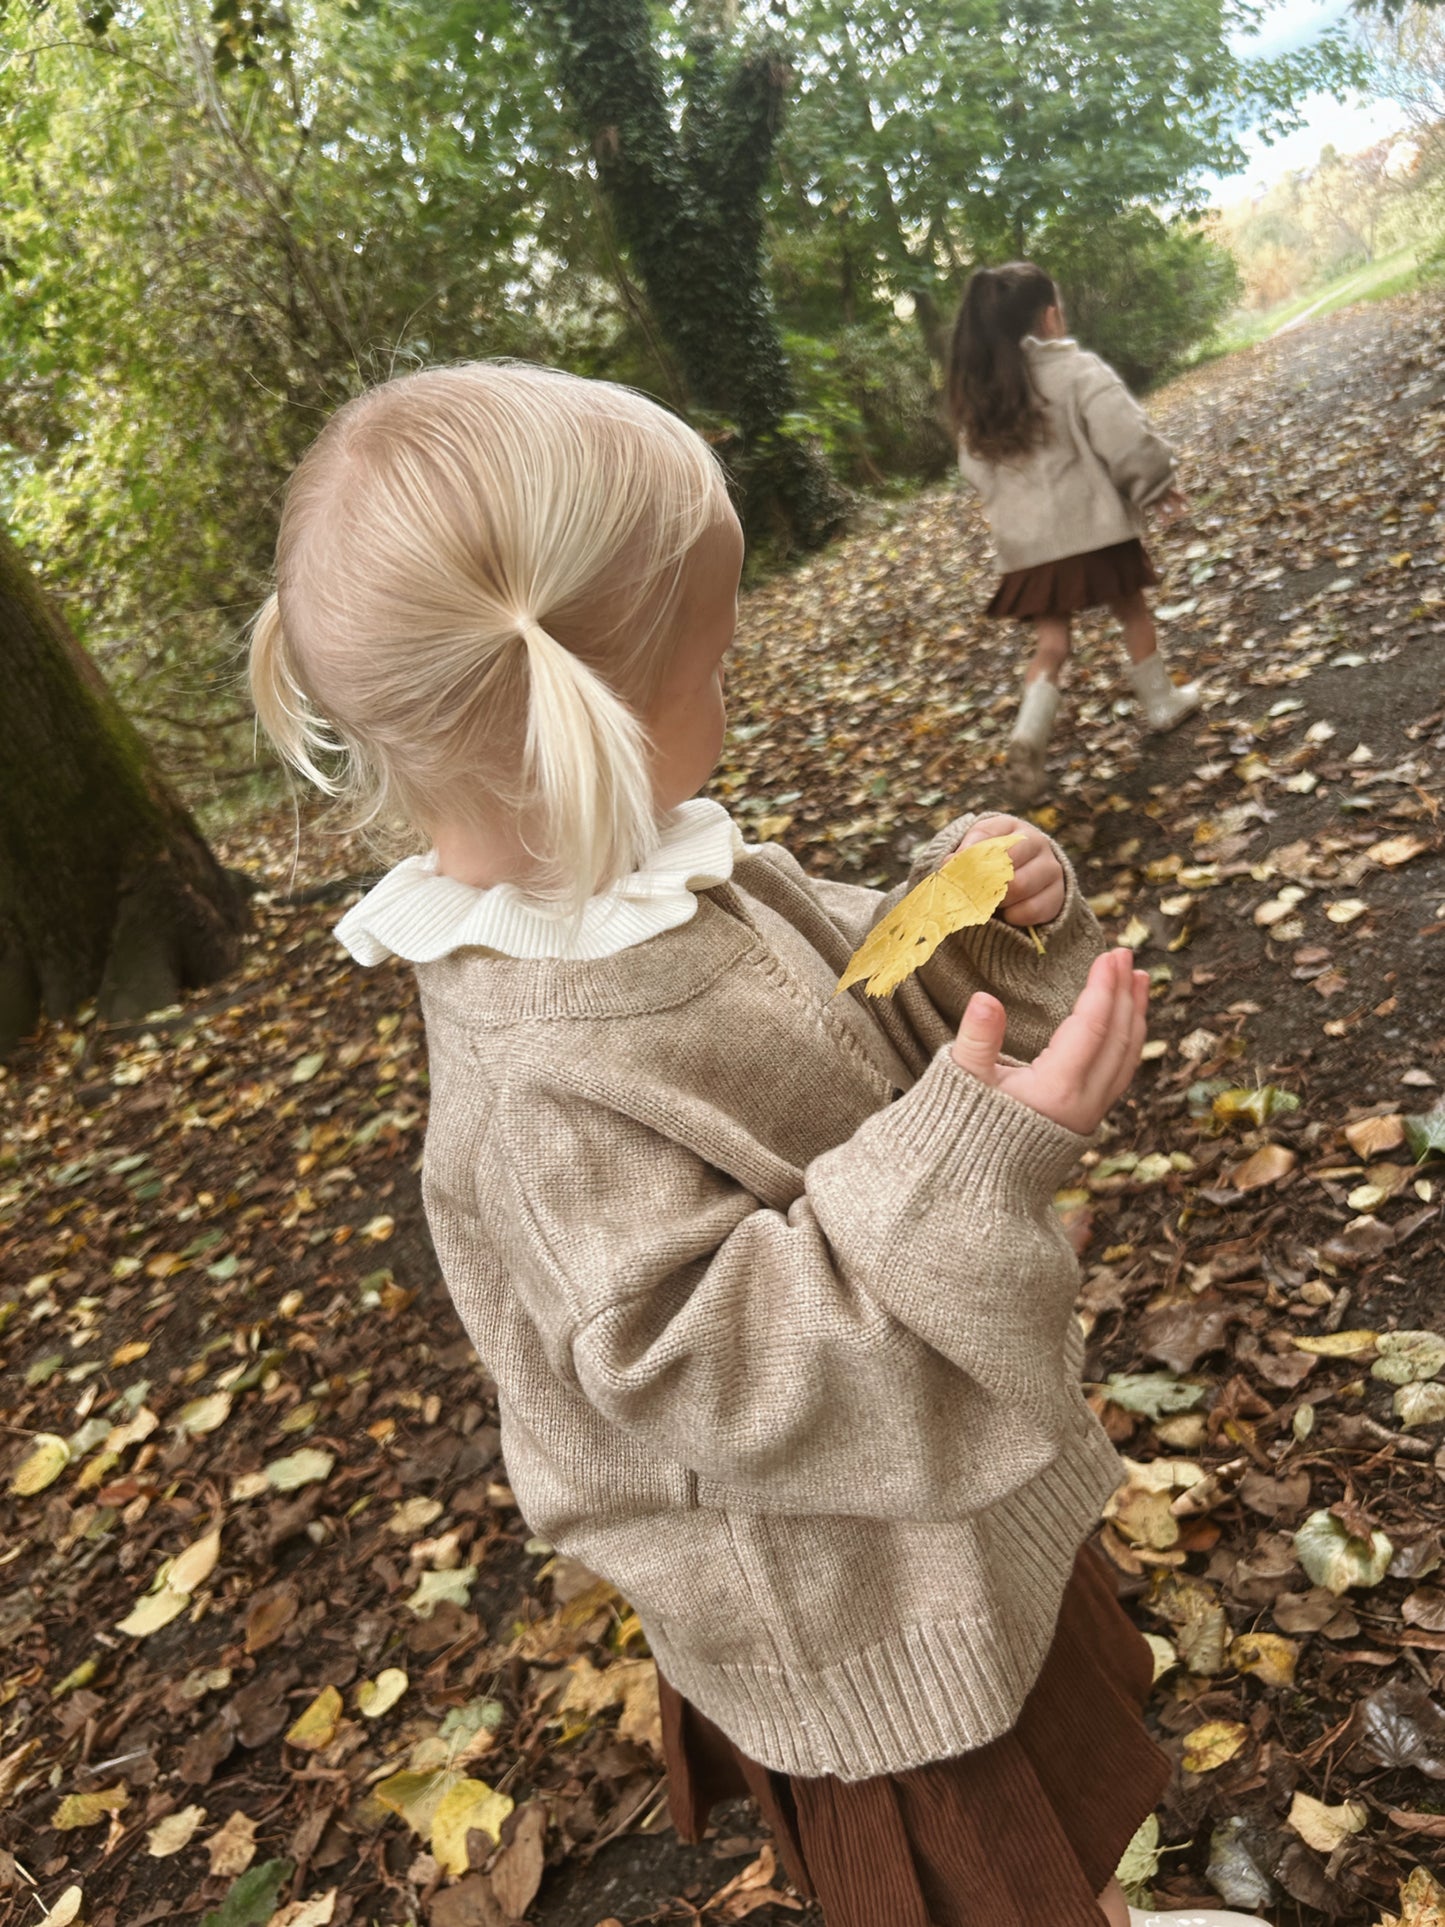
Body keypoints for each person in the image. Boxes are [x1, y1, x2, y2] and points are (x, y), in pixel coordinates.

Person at [249, 362, 1262, 1927]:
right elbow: (708, 1366)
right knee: (989, 1883)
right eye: (713, 660)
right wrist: (968, 1157)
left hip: (948, 1508)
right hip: (854, 1595)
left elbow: (855, 996)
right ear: (583, 711)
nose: (731, 692)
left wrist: (981, 916)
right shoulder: (538, 1082)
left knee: (1068, 1806)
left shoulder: (678, 876)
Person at [950, 261, 1202, 803]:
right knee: (1131, 609)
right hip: (1095, 531)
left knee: (1053, 642)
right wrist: (1153, 483)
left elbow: (976, 471)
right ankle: (1159, 703)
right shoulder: (1077, 371)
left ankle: (1028, 733)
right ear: (1049, 315)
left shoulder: (983, 397)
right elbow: (1124, 435)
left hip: (1030, 547)